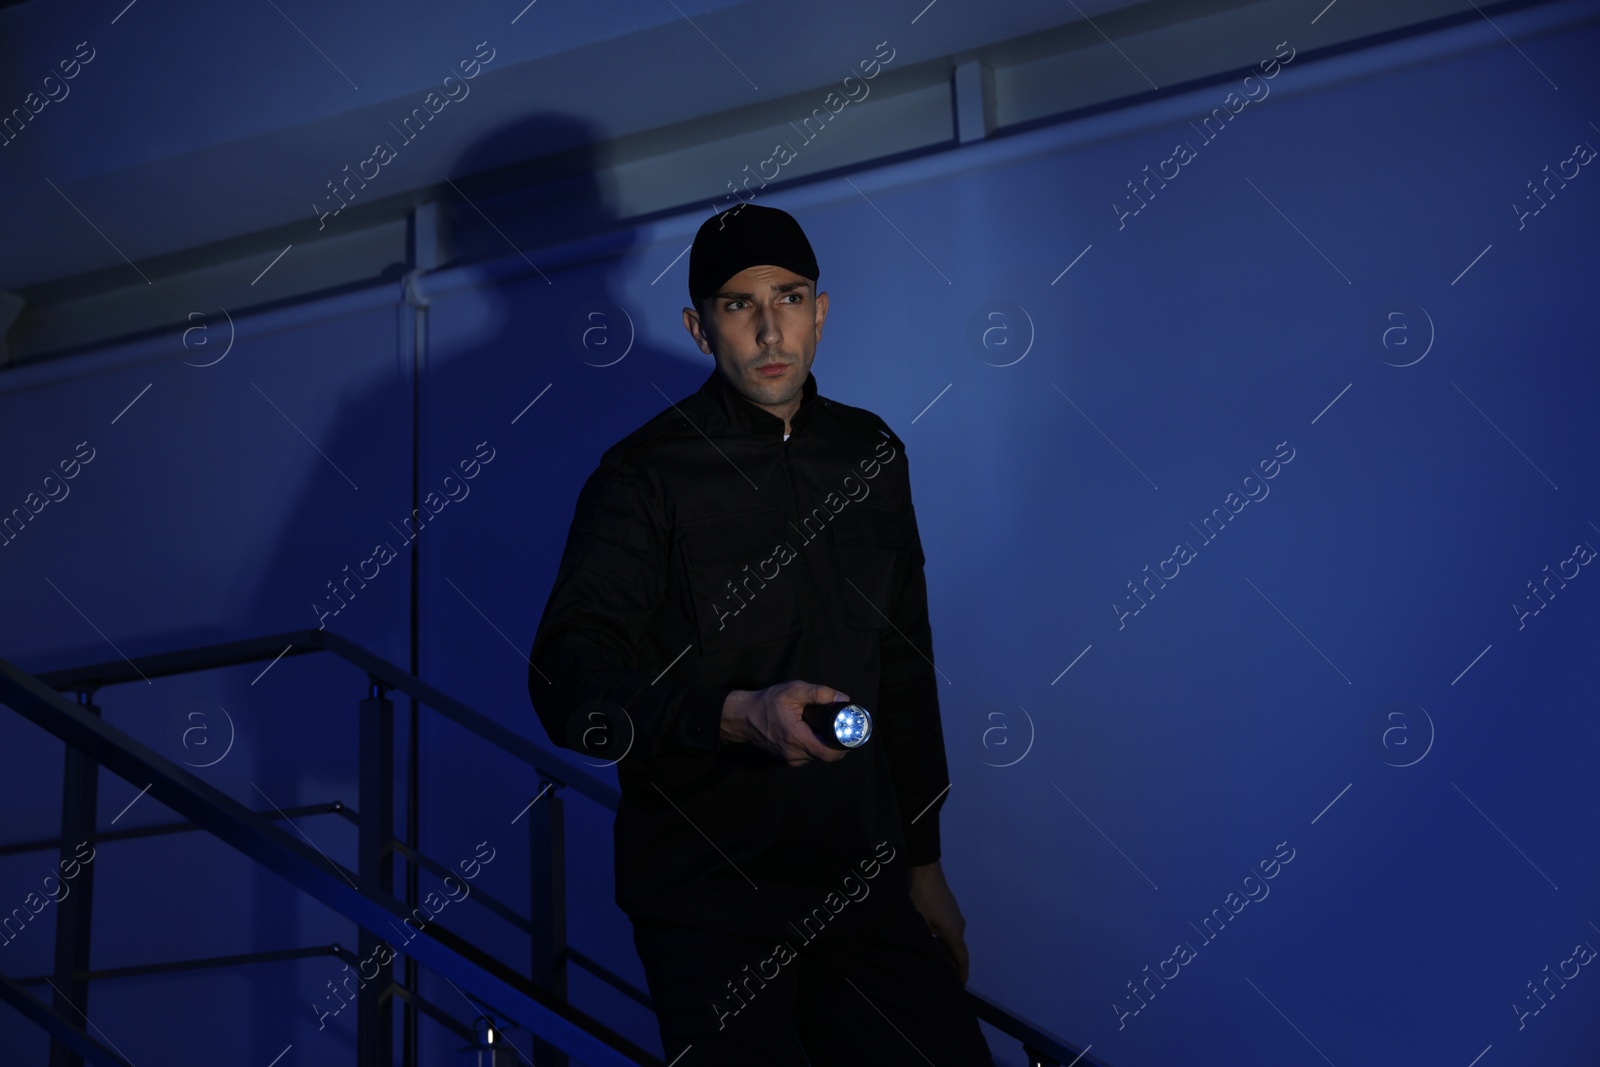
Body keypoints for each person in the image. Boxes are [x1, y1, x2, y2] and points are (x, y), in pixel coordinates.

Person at [527, 203, 993, 1065]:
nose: (771, 327)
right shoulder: (643, 475)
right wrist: (737, 716)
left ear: (822, 310)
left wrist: (923, 861)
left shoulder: (871, 455)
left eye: (789, 296)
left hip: (860, 887)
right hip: (709, 904)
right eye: (740, 305)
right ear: (698, 329)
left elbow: (905, 664)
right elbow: (566, 677)